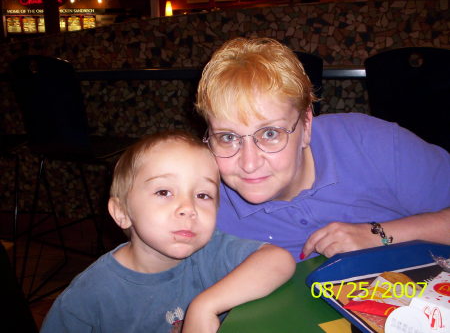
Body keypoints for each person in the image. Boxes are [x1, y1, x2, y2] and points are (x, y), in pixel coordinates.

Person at [195, 37, 450, 262]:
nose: (249, 163)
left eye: (270, 134)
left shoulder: (372, 143)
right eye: (228, 137)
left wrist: (379, 234)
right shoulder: (200, 198)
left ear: (306, 124)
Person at [40, 131, 295, 333]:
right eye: (164, 192)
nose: (188, 208)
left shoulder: (212, 251)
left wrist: (204, 306)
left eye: (203, 195)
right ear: (122, 212)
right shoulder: (89, 295)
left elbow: (278, 260)